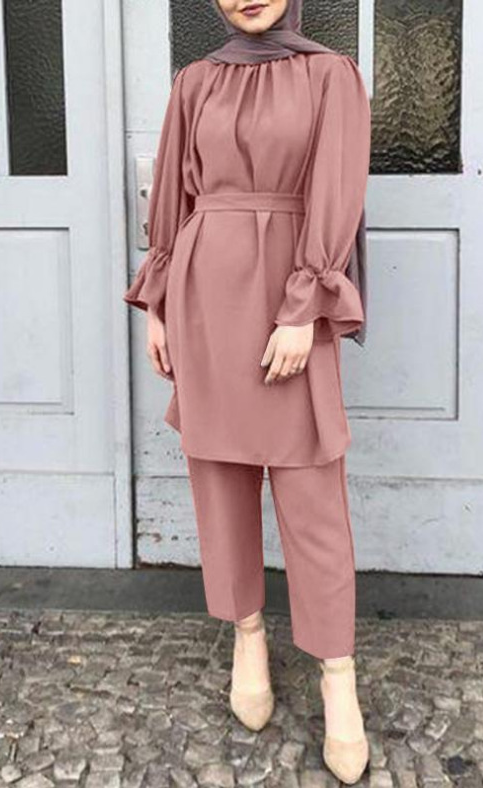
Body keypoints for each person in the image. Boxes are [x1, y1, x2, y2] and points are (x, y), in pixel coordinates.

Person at [123, 0, 371, 782]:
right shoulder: (195, 82)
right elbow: (172, 201)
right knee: (219, 479)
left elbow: (338, 190)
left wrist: (304, 307)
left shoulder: (330, 75)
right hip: (205, 296)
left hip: (289, 293)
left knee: (312, 493)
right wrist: (159, 305)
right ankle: (248, 637)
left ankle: (338, 677)